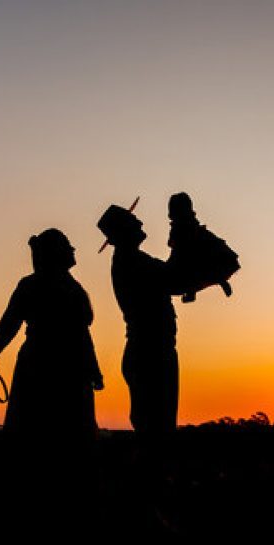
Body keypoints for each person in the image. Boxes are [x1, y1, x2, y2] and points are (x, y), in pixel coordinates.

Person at [0, 228, 103, 532]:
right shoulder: (59, 289)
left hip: (55, 368)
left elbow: (9, 327)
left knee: (41, 437)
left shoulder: (49, 287)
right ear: (59, 254)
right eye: (68, 248)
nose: (74, 251)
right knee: (51, 438)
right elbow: (9, 326)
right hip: (55, 369)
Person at [97, 205, 186, 527]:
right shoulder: (133, 262)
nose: (141, 222)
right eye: (134, 221)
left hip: (148, 351)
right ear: (123, 232)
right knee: (155, 437)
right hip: (151, 353)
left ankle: (141, 508)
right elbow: (175, 279)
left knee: (154, 434)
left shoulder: (131, 261)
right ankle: (139, 511)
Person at [166, 191, 240, 303]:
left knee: (187, 267)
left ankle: (192, 290)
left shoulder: (180, 228)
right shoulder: (190, 225)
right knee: (194, 266)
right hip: (200, 248)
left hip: (191, 253)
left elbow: (181, 252)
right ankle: (213, 280)